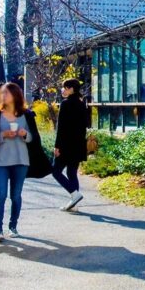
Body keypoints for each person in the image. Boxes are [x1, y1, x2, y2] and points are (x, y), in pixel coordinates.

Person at [0, 82, 43, 242]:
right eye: (2, 93)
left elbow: (34, 138)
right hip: (0, 161)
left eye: (6, 93)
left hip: (21, 160)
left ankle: (13, 226)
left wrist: (24, 134)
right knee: (0, 195)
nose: (3, 95)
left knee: (16, 195)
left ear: (15, 95)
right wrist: (3, 135)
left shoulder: (26, 114)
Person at [53, 78, 88, 212]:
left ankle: (74, 194)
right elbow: (84, 125)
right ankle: (74, 203)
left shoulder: (66, 104)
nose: (63, 90)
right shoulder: (81, 104)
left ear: (71, 89)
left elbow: (61, 127)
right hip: (78, 145)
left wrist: (57, 146)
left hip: (66, 145)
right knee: (72, 172)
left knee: (55, 171)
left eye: (65, 87)